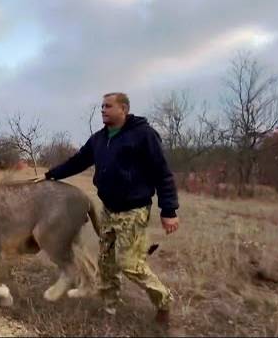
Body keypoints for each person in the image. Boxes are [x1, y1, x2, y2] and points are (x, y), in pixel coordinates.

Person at [39, 92, 179, 326]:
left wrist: (169, 210)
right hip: (109, 209)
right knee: (106, 263)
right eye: (102, 106)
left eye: (108, 106)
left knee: (129, 264)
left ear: (123, 109)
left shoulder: (143, 135)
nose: (103, 110)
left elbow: (162, 173)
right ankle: (109, 308)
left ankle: (164, 301)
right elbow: (78, 161)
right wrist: (50, 175)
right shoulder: (99, 139)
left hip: (133, 210)